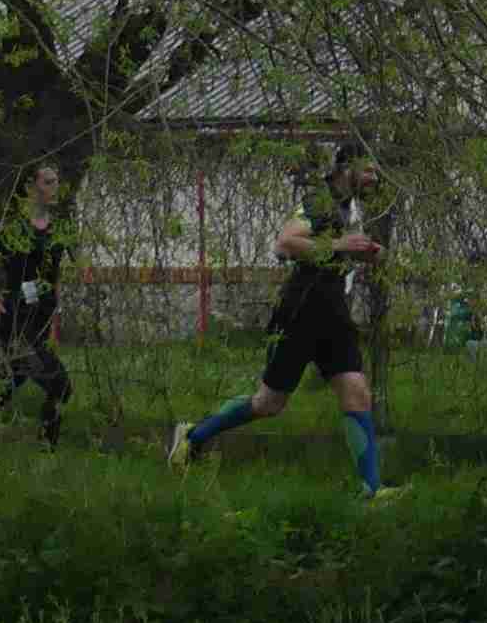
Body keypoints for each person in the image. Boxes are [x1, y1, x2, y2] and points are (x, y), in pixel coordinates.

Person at [169, 138, 395, 497]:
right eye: (367, 170)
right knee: (268, 404)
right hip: (301, 312)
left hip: (333, 312)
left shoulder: (346, 206)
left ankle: (372, 490)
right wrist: (341, 246)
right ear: (345, 168)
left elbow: (329, 251)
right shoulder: (318, 202)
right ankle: (193, 436)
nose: (373, 178)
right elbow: (286, 242)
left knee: (357, 393)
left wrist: (364, 252)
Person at [0, 160, 75, 447]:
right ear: (31, 187)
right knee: (60, 385)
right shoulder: (11, 227)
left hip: (42, 316)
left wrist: (55, 316)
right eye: (48, 182)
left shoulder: (59, 228)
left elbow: (55, 275)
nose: (55, 187)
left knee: (11, 382)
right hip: (17, 318)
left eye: (56, 181)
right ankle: (47, 446)